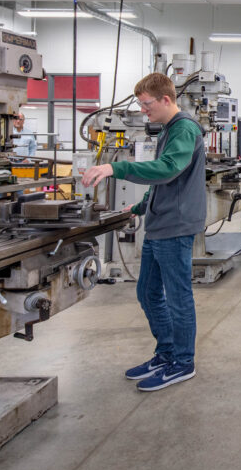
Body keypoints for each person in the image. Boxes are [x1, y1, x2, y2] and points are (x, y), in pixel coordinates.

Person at [81, 72, 205, 392]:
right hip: (159, 223)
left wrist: (115, 168)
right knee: (147, 293)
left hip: (175, 228)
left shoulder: (185, 129)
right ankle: (166, 352)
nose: (143, 110)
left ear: (166, 99)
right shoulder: (169, 130)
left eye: (146, 104)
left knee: (178, 298)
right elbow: (165, 182)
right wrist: (139, 207)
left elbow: (167, 170)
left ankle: (183, 361)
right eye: (140, 104)